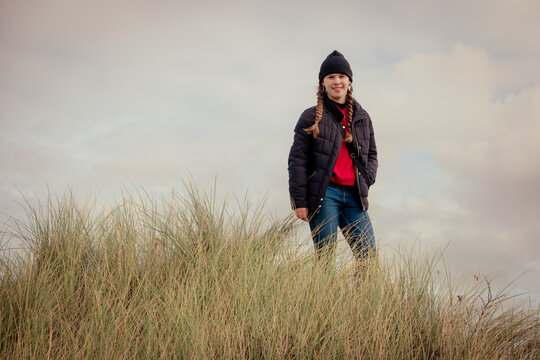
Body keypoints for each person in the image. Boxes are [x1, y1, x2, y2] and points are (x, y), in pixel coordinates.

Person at [288, 50, 378, 260]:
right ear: (323, 83)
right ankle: (323, 294)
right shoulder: (310, 116)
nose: (337, 81)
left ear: (349, 81)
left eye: (341, 76)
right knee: (326, 258)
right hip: (324, 194)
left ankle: (359, 295)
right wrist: (300, 200)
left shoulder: (363, 117)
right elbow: (297, 160)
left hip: (355, 197)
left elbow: (372, 154)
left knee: (368, 259)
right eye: (331, 77)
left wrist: (368, 178)